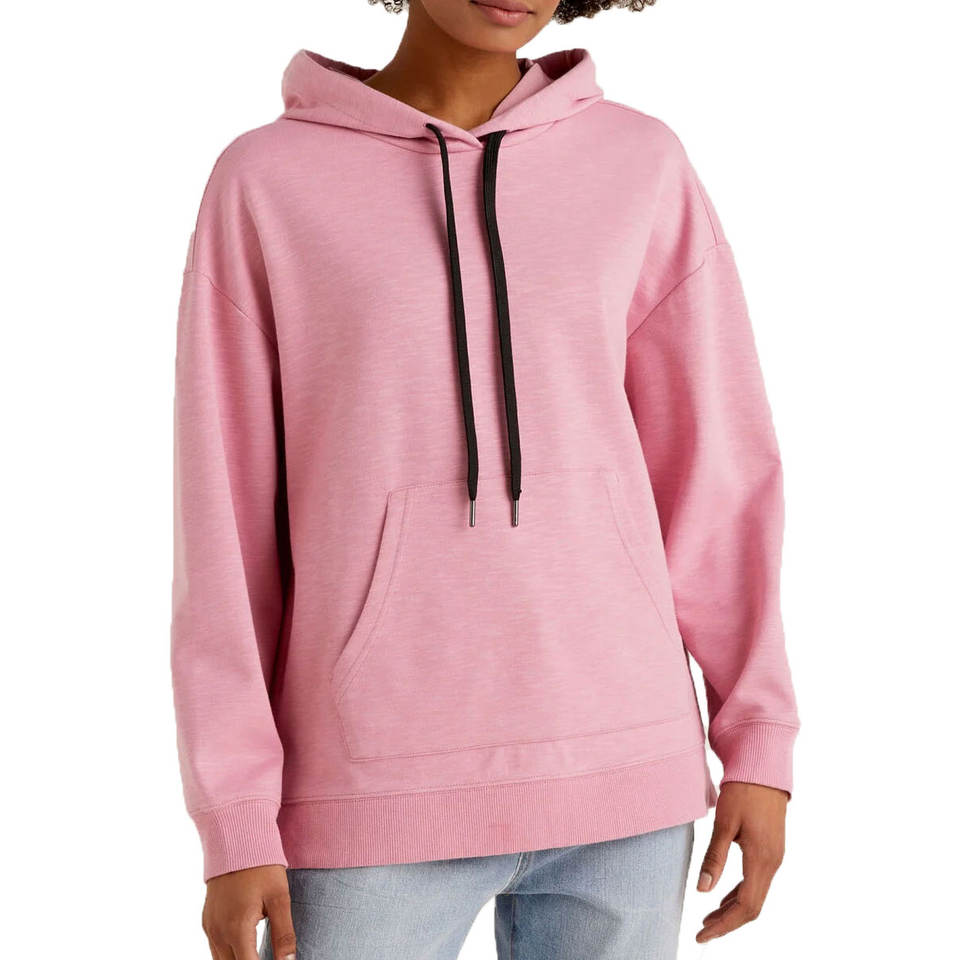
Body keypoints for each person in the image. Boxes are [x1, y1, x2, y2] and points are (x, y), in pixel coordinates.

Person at [170, 1, 800, 957]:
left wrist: (758, 740)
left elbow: (717, 473)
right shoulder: (267, 180)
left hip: (627, 776)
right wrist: (235, 813)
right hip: (367, 789)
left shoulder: (640, 163)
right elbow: (224, 524)